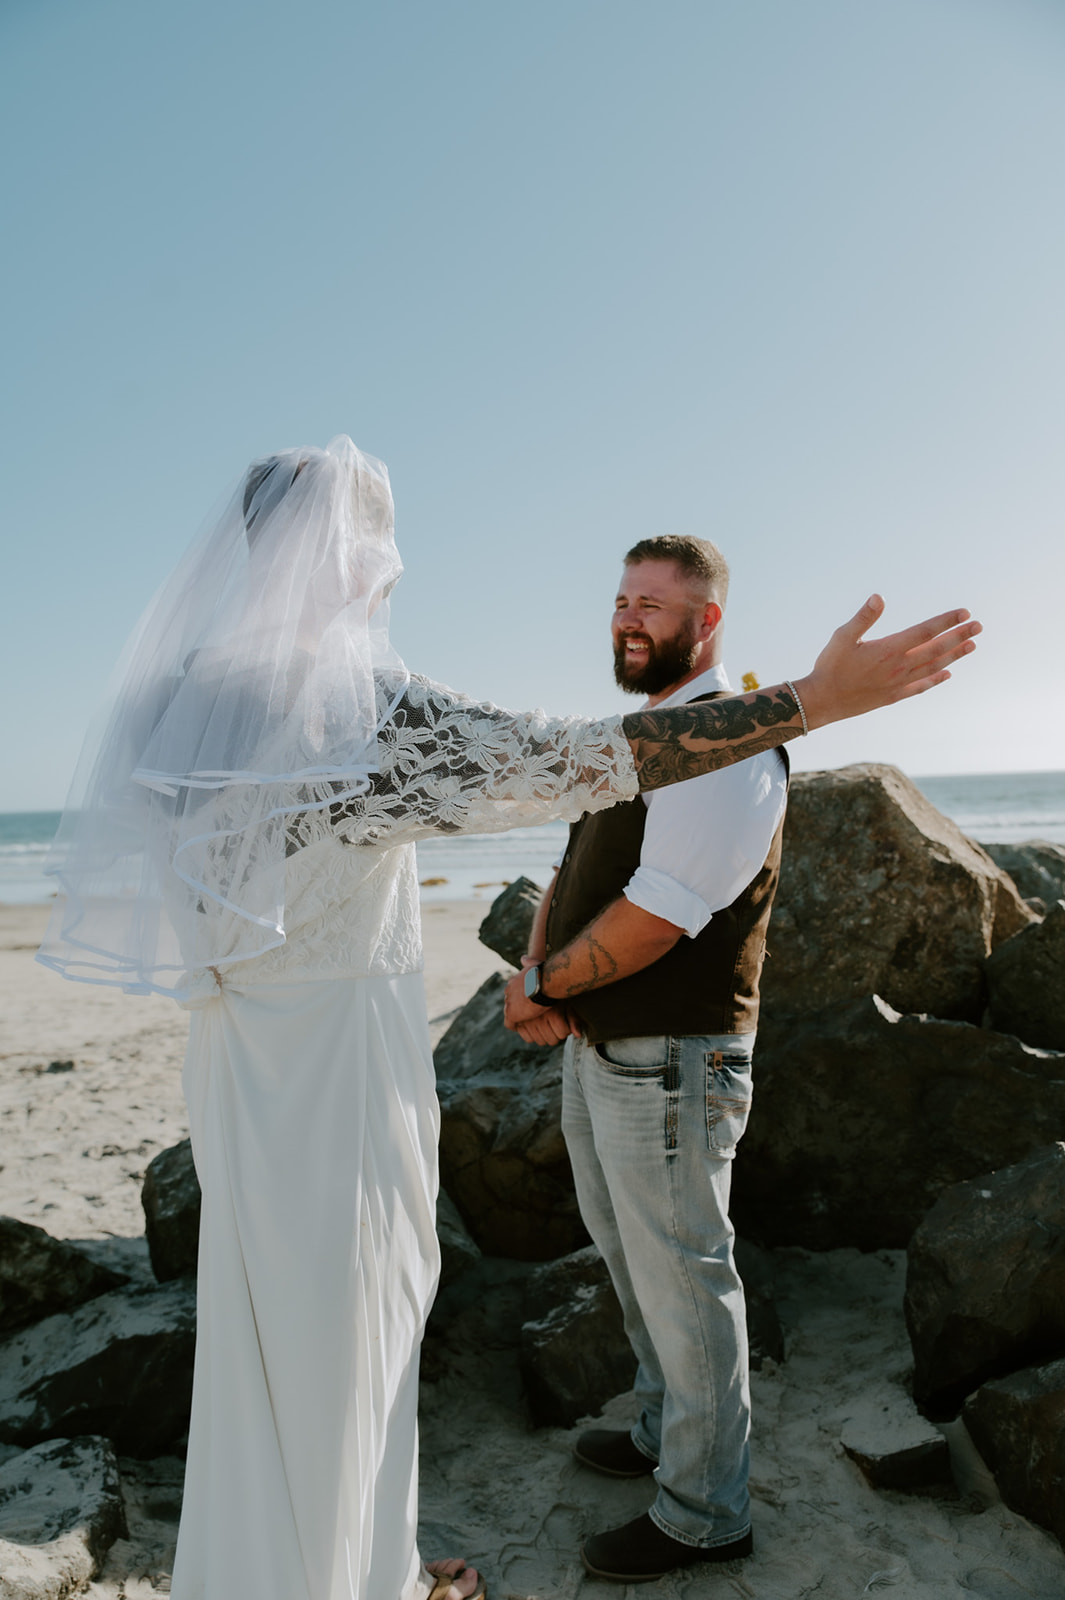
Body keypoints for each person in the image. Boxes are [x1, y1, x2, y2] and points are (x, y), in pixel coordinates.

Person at [37, 438, 978, 1600]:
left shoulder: (172, 706)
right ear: (356, 553)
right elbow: (581, 758)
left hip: (236, 1061)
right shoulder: (360, 718)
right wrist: (810, 702)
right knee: (353, 1329)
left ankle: (292, 1567)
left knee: (261, 1337)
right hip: (337, 1073)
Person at [502, 534, 787, 1582]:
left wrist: (540, 988)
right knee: (633, 1259)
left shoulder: (729, 744)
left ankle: (706, 1511)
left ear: (706, 622)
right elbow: (575, 863)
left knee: (686, 1275)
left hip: (679, 1057)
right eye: (621, 598)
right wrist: (538, 964)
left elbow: (659, 918)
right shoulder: (637, 736)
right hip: (606, 1048)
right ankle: (667, 1423)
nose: (628, 618)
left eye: (653, 605)